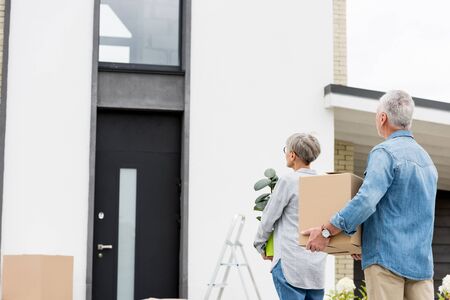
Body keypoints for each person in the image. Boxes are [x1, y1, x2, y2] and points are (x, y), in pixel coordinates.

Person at [302, 90, 438, 300]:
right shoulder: (427, 161)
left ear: (382, 118)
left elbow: (366, 200)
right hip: (421, 265)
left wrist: (326, 231)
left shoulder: (384, 153)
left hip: (386, 262)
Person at [254, 133, 327, 300]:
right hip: (315, 268)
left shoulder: (288, 180)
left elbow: (269, 217)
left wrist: (260, 245)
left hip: (290, 264)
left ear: (292, 155)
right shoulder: (323, 182)